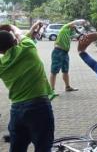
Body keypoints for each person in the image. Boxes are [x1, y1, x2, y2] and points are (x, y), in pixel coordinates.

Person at [0, 21, 54, 151]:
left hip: (16, 110)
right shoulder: (27, 48)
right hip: (39, 107)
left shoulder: (1, 65)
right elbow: (20, 34)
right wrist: (10, 27)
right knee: (43, 147)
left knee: (17, 148)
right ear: (14, 42)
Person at [50, 19, 88, 93]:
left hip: (65, 53)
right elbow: (74, 22)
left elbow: (77, 35)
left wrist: (81, 32)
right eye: (73, 26)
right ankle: (51, 90)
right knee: (54, 71)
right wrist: (82, 21)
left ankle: (67, 87)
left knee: (65, 70)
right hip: (58, 52)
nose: (74, 27)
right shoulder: (64, 28)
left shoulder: (69, 33)